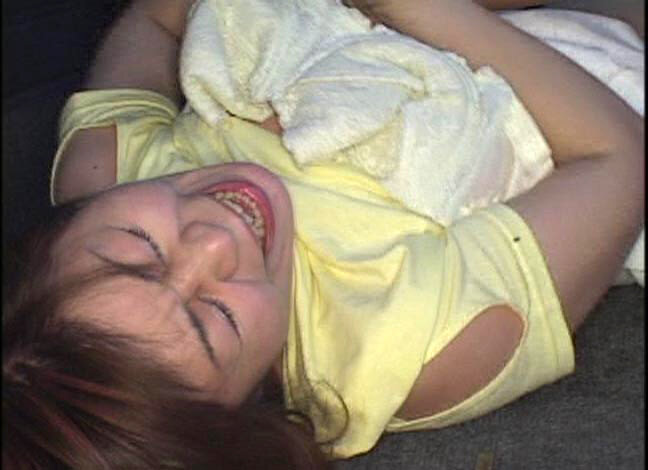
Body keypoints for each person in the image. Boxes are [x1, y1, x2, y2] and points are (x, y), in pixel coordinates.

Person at [3, 0, 643, 468]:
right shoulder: (412, 347)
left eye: (138, 250)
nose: (216, 239)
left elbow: (156, 18)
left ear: (63, 226)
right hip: (574, 81)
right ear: (252, 406)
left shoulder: (101, 167)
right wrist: (413, 10)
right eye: (218, 316)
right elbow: (616, 159)